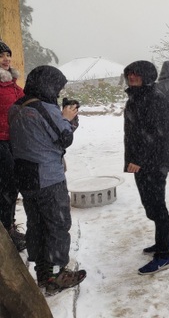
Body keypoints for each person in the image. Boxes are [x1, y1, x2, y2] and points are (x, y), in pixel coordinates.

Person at [9, 65, 86, 294]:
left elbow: (36, 136)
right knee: (57, 224)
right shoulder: (45, 108)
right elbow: (64, 138)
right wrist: (68, 119)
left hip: (25, 176)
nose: (58, 92)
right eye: (57, 87)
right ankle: (56, 274)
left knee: (37, 224)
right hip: (48, 177)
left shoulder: (16, 107)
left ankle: (43, 272)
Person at [123, 60, 169, 275]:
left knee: (156, 206)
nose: (132, 77)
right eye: (129, 74)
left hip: (153, 162)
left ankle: (163, 255)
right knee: (151, 205)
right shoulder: (137, 97)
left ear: (147, 76)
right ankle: (166, 242)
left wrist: (139, 159)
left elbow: (156, 134)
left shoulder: (154, 98)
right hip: (142, 162)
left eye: (136, 74)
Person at [0, 41, 26, 252]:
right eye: (1, 56)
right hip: (1, 141)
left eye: (8, 55)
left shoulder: (12, 84)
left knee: (12, 185)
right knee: (7, 185)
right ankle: (6, 230)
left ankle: (8, 226)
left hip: (14, 141)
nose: (6, 59)